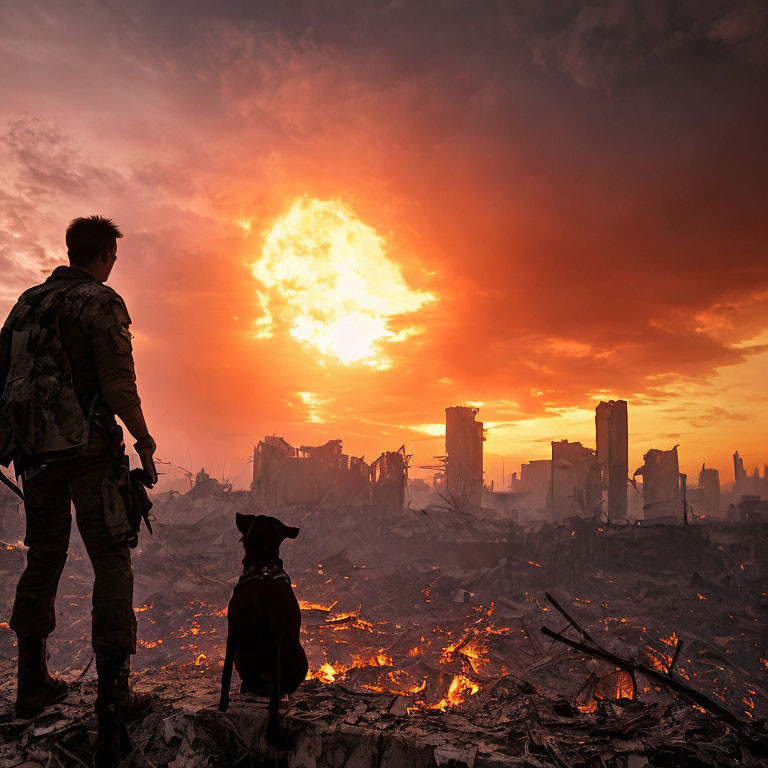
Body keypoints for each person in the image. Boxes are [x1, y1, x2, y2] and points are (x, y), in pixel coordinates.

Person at [0, 216, 157, 763]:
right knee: (112, 560)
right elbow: (118, 383)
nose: (114, 263)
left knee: (42, 559)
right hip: (89, 453)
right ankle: (113, 698)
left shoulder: (26, 303)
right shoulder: (100, 302)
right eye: (113, 254)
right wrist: (143, 440)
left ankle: (30, 684)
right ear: (103, 254)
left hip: (35, 456)